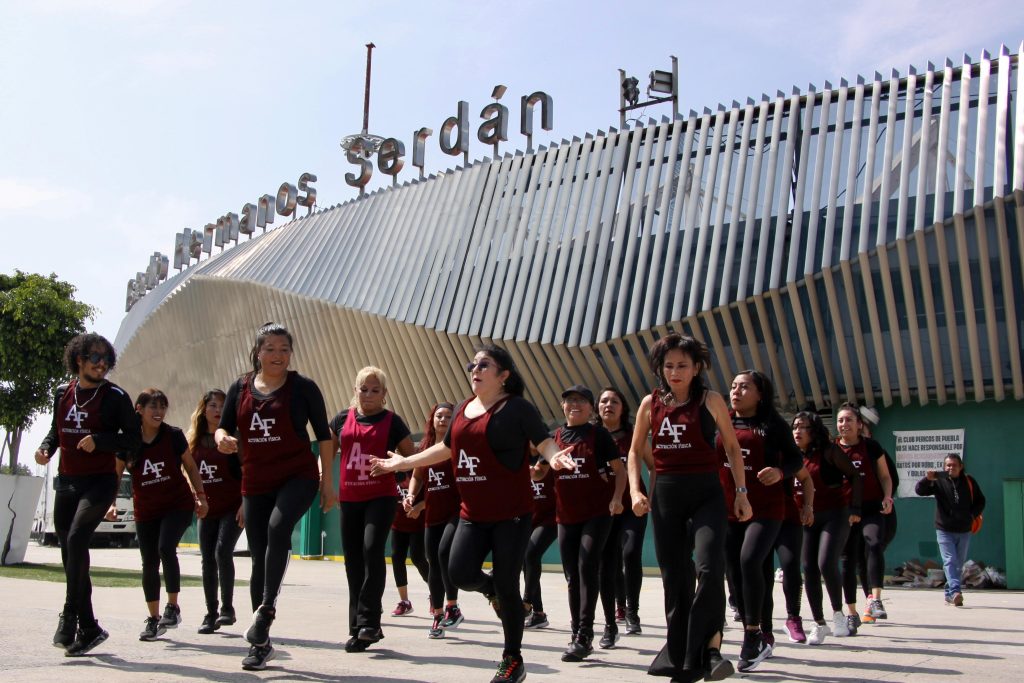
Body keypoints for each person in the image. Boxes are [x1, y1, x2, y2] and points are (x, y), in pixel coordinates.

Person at [370, 344, 576, 683]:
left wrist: (553, 457)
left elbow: (543, 441)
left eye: (484, 365)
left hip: (512, 514)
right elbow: (444, 448)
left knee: (509, 584)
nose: (475, 370)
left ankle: (513, 659)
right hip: (473, 513)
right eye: (472, 365)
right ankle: (493, 590)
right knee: (459, 572)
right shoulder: (464, 409)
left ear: (503, 375)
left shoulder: (518, 408)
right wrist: (404, 463)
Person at [628, 333, 751, 683]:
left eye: (683, 365)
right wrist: (636, 491)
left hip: (707, 492)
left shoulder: (711, 400)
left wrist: (741, 493)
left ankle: (707, 649)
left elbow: (731, 446)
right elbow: (635, 452)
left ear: (697, 368)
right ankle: (684, 657)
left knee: (710, 568)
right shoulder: (649, 404)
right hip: (666, 494)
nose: (675, 371)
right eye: (669, 365)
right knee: (675, 579)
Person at [216, 322, 336, 671]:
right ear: (257, 352)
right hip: (255, 481)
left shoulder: (303, 388)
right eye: (270, 348)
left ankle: (266, 609)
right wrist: (223, 437)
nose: (278, 355)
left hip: (297, 475)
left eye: (284, 349)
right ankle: (261, 644)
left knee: (278, 528)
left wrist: (328, 482)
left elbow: (325, 437)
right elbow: (224, 425)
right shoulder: (240, 388)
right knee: (258, 556)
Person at [35, 333, 141, 656]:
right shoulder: (62, 393)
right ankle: (90, 626)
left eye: (106, 358)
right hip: (67, 482)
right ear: (78, 359)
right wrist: (45, 448)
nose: (100, 363)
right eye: (94, 357)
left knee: (77, 539)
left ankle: (69, 615)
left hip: (99, 483)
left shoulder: (116, 398)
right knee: (71, 555)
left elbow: (134, 441)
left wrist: (102, 441)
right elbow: (57, 429)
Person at [719, 371, 803, 672]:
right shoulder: (721, 422)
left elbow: (796, 459)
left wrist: (781, 473)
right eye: (733, 386)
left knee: (749, 561)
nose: (736, 391)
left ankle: (753, 635)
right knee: (744, 574)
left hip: (766, 509)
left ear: (760, 394)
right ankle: (764, 631)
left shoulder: (773, 425)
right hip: (728, 510)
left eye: (744, 387)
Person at [330, 366, 416, 652]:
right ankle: (360, 628)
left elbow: (410, 458)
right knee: (352, 561)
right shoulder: (342, 418)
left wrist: (397, 466)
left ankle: (369, 619)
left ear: (385, 394)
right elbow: (326, 451)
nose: (368, 394)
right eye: (363, 389)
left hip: (381, 496)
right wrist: (323, 484)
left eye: (375, 390)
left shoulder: (393, 422)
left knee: (371, 550)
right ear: (355, 390)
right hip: (350, 497)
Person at [129, 388, 209, 641]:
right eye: (153, 406)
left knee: (165, 548)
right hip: (146, 509)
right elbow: (114, 474)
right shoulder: (129, 441)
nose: (159, 412)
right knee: (149, 562)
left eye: (162, 407)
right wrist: (109, 504)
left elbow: (191, 466)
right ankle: (153, 620)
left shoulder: (173, 436)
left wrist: (201, 496)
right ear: (139, 410)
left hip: (177, 504)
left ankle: (172, 606)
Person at [552, 384, 625, 661]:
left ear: (590, 408)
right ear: (563, 406)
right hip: (566, 516)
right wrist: (536, 471)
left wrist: (617, 498)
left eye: (581, 401)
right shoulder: (555, 437)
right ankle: (575, 632)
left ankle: (585, 634)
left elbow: (619, 471)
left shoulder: (600, 435)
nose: (575, 405)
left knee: (587, 566)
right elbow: (539, 474)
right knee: (572, 576)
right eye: (570, 400)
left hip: (596, 513)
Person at [792, 411, 861, 645]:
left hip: (835, 514)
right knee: (808, 567)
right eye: (795, 427)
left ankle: (839, 615)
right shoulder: (792, 457)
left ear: (815, 431)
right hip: (807, 518)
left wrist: (855, 509)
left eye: (803, 427)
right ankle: (819, 624)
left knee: (825, 562)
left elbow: (855, 476)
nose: (797, 431)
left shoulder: (830, 451)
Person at [407, 402, 466, 639]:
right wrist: (412, 495)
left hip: (455, 512)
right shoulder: (425, 447)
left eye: (448, 416)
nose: (443, 420)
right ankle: (438, 616)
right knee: (433, 561)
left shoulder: (458, 446)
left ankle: (453, 606)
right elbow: (416, 476)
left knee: (443, 554)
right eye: (439, 416)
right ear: (432, 420)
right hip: (433, 515)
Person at [189, 389, 244, 634]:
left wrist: (245, 503)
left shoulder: (233, 439)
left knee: (223, 551)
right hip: (207, 507)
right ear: (204, 409)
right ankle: (210, 613)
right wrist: (194, 497)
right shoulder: (193, 440)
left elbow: (247, 471)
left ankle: (227, 609)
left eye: (222, 405)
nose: (217, 410)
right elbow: (189, 473)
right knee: (207, 559)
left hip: (232, 506)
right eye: (212, 405)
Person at [836, 402, 894, 633]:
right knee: (848, 562)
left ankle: (875, 598)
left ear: (859, 424)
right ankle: (851, 613)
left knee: (874, 543)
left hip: (871, 508)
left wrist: (888, 497)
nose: (844, 424)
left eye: (849, 419)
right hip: (845, 512)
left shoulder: (871, 447)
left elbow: (885, 476)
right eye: (840, 420)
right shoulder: (833, 450)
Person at [597, 386, 649, 638]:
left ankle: (633, 612)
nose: (608, 405)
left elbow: (653, 465)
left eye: (614, 401)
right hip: (603, 508)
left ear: (623, 407)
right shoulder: (592, 436)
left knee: (630, 553)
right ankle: (619, 607)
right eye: (604, 401)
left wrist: (654, 497)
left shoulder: (632, 435)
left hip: (633, 506)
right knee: (611, 560)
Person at [914, 454, 985, 606]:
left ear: (961, 467)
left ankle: (949, 593)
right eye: (948, 465)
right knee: (950, 561)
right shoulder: (938, 481)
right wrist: (927, 479)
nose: (950, 468)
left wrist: (972, 515)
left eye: (954, 465)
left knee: (958, 564)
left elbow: (981, 501)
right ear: (944, 467)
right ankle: (955, 591)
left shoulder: (969, 481)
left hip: (964, 530)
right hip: (944, 529)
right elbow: (919, 490)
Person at [522, 449, 556, 631]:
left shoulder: (549, 456)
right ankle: (539, 614)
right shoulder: (519, 455)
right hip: (529, 518)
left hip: (551, 517)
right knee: (527, 562)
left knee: (531, 553)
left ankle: (526, 604)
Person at [389, 469, 429, 617]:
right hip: (398, 524)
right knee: (396, 558)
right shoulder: (391, 471)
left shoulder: (418, 471)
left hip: (418, 524)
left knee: (418, 558)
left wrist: (419, 507)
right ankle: (404, 602)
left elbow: (431, 496)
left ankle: (435, 593)